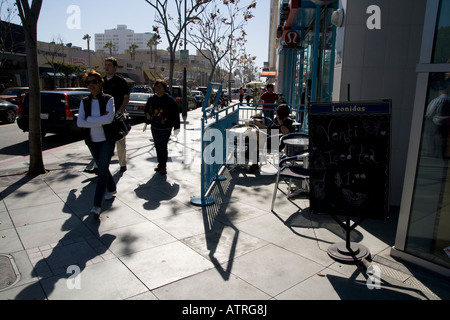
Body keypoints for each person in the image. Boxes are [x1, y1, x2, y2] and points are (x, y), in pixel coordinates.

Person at [77, 70, 116, 216]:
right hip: (91, 141)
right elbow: (80, 122)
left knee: (101, 171)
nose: (91, 85)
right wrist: (99, 120)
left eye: (94, 81)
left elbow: (109, 119)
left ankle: (96, 206)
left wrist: (90, 120)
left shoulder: (108, 99)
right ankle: (112, 188)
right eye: (88, 82)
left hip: (107, 140)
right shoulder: (84, 101)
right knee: (102, 168)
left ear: (100, 83)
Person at [144, 79, 180, 175]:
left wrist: (176, 127)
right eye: (156, 87)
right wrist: (147, 114)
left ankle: (163, 166)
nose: (157, 89)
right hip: (155, 126)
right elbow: (146, 109)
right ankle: (160, 164)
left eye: (159, 87)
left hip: (166, 127)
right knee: (157, 145)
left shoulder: (170, 100)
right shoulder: (152, 99)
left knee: (163, 145)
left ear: (164, 88)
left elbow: (176, 114)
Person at [103, 57, 130, 172]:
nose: (106, 67)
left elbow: (126, 97)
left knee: (120, 141)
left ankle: (122, 164)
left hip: (117, 115)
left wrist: (121, 110)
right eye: (105, 65)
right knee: (103, 141)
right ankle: (101, 164)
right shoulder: (101, 81)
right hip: (103, 116)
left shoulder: (121, 81)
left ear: (115, 67)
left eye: (109, 65)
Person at [248, 104, 293, 173]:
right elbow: (268, 129)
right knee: (254, 136)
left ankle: (252, 161)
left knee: (255, 142)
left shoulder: (288, 121)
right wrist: (259, 124)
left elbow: (285, 132)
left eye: (278, 111)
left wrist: (280, 122)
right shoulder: (276, 119)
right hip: (268, 138)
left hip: (276, 142)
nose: (276, 113)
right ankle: (253, 161)